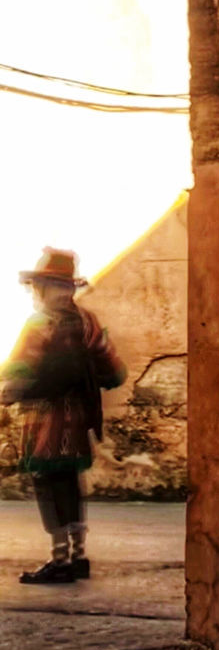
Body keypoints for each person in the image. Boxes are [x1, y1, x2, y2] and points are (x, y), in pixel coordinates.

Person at [0, 248, 126, 584]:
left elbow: (19, 366)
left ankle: (60, 560)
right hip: (78, 418)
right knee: (70, 482)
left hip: (46, 420)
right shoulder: (88, 322)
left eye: (64, 287)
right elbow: (114, 369)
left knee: (49, 483)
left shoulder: (39, 324)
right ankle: (77, 557)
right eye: (56, 287)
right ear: (42, 288)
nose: (62, 293)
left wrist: (9, 391)